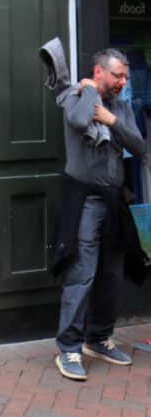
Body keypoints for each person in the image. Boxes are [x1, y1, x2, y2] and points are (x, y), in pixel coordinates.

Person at [53, 48, 146, 381]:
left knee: (112, 273)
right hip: (85, 198)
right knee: (83, 273)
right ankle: (69, 349)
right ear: (99, 71)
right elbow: (79, 121)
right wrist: (90, 89)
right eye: (117, 75)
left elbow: (140, 148)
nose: (123, 81)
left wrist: (112, 122)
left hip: (114, 200)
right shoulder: (76, 98)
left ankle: (99, 338)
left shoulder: (121, 108)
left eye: (125, 76)